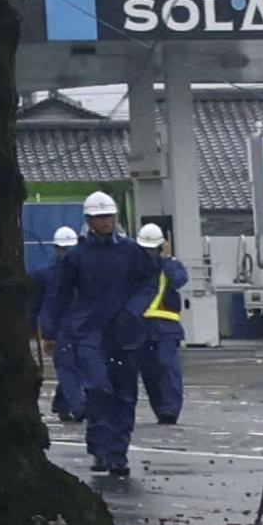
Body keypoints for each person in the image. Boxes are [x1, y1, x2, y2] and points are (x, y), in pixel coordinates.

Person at [43, 190, 163, 480]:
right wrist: (51, 331)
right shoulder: (77, 256)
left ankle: (117, 453)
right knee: (98, 390)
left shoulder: (132, 251)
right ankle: (99, 446)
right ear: (89, 221)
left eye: (108, 216)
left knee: (125, 395)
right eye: (99, 218)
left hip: (125, 333)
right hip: (89, 333)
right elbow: (58, 295)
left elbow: (150, 281)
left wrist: (133, 310)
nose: (105, 222)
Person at [39, 223, 99, 423]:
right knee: (67, 367)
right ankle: (79, 406)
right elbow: (48, 305)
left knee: (78, 367)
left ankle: (62, 403)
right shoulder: (48, 274)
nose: (66, 252)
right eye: (63, 248)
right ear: (56, 249)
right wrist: (48, 334)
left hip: (83, 326)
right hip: (62, 328)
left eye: (69, 248)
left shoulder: (87, 269)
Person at [136, 221, 190, 426]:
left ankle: (170, 409)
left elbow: (179, 280)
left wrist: (167, 259)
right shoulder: (134, 266)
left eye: (153, 249)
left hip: (166, 326)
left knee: (168, 367)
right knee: (149, 372)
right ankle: (161, 409)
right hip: (141, 326)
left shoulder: (170, 265)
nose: (149, 253)